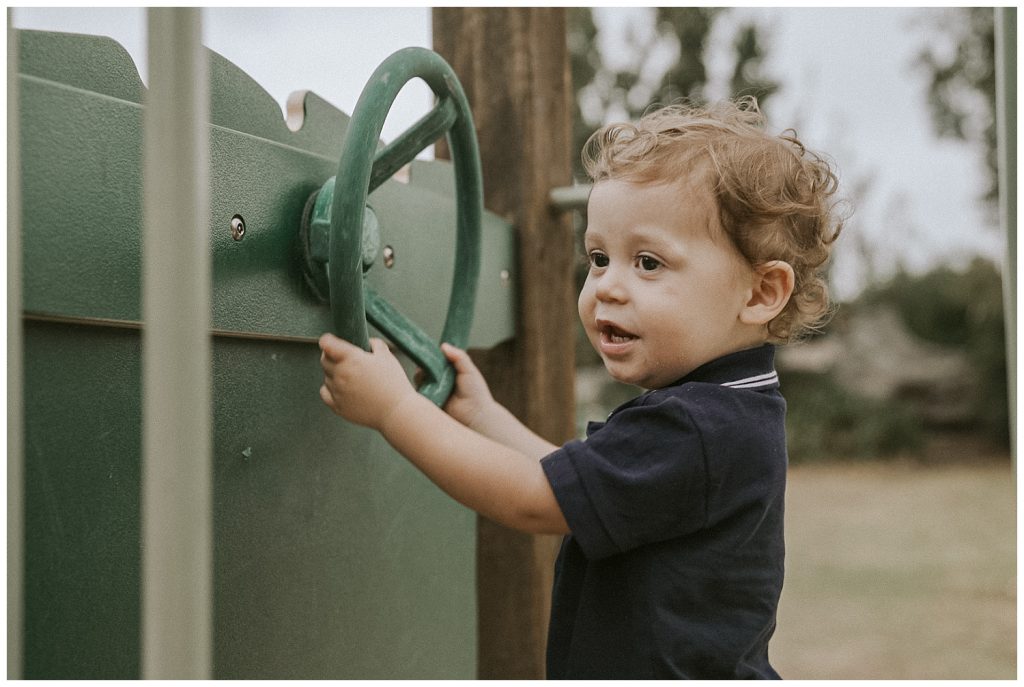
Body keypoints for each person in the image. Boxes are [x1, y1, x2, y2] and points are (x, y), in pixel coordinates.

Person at [318, 96, 843, 679]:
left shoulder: (697, 425)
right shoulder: (734, 405)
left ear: (760, 292)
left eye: (647, 262)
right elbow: (583, 486)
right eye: (598, 258)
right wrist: (483, 415)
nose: (607, 288)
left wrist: (393, 408)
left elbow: (534, 499)